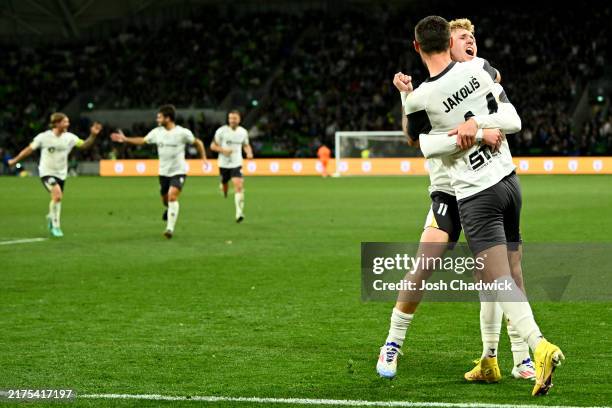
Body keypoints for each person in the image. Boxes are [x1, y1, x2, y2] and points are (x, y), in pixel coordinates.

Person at [398, 16, 563, 396]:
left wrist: (473, 125)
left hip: (478, 193)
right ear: (448, 43)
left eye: (473, 37)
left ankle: (535, 348)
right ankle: (493, 358)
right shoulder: (463, 80)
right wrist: (472, 130)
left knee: (498, 277)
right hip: (509, 183)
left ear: (419, 46)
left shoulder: (476, 71)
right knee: (497, 277)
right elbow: (421, 140)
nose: (470, 42)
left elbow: (424, 141)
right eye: (462, 37)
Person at [110, 105, 207, 238]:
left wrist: (204, 158)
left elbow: (198, 143)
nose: (157, 119)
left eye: (159, 117)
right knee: (166, 200)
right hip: (163, 172)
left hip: (178, 171)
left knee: (172, 196)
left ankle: (169, 229)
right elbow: (143, 141)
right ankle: (170, 209)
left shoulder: (183, 133)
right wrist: (126, 139)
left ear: (168, 118)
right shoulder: (157, 132)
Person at [8, 113, 102, 237]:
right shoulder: (44, 137)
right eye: (65, 122)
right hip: (46, 172)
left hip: (61, 174)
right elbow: (29, 149)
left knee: (57, 198)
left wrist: (93, 135)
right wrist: (15, 160)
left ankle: (51, 217)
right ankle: (56, 226)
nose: (67, 124)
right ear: (57, 123)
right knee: (57, 195)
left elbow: (84, 145)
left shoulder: (70, 137)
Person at [210, 110, 253, 223]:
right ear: (228, 119)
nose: (232, 120)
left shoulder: (243, 132)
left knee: (238, 185)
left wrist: (249, 152)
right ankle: (223, 188)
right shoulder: (221, 131)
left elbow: (246, 145)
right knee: (225, 184)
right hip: (223, 164)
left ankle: (239, 213)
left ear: (239, 119)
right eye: (231, 118)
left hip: (236, 163)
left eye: (235, 118)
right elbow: (213, 146)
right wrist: (223, 150)